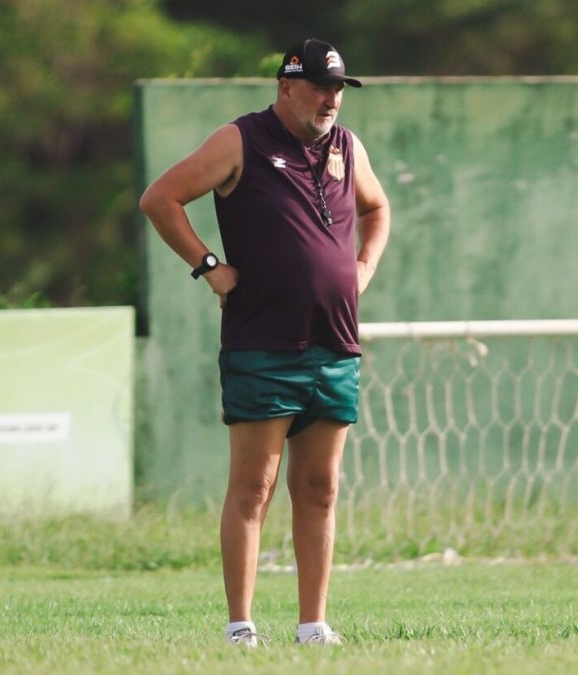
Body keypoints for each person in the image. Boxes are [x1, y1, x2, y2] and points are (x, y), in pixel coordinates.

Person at [139, 38, 390, 647]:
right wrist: (209, 267)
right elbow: (160, 198)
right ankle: (240, 626)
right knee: (254, 488)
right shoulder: (240, 140)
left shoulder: (347, 147)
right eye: (320, 88)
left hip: (334, 343)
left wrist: (363, 267)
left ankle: (313, 625)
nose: (331, 100)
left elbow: (377, 209)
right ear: (285, 86)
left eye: (338, 89)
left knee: (321, 489)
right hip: (262, 344)